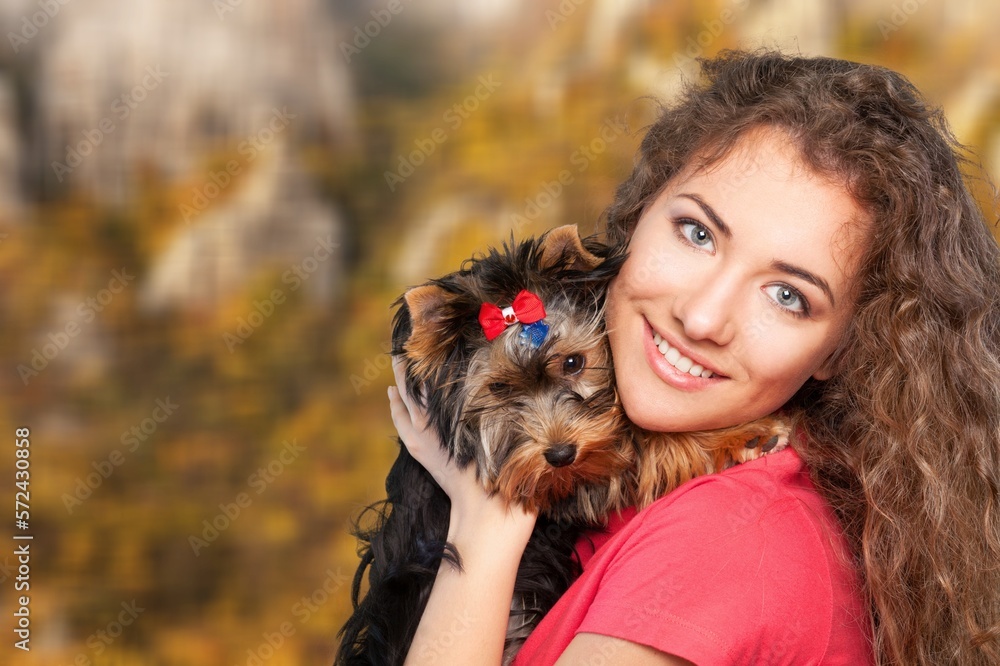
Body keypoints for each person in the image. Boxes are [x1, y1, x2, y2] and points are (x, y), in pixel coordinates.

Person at [387, 50, 1000, 665]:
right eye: (697, 233)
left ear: (843, 351)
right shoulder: (671, 504)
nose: (703, 317)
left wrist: (485, 532)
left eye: (788, 296)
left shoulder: (728, 545)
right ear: (641, 212)